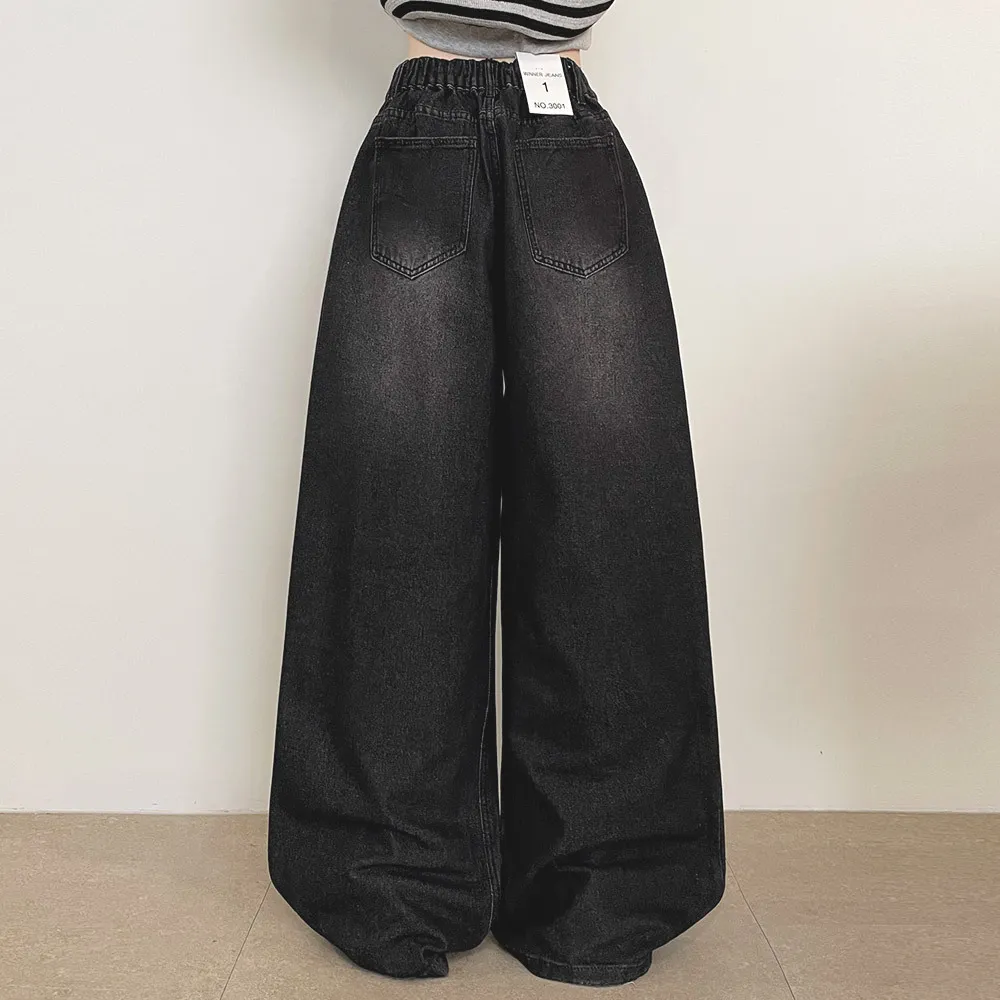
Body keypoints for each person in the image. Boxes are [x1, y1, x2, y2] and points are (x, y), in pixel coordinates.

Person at [266, 1, 726, 987]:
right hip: (559, 127)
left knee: (397, 522)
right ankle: (603, 891)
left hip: (429, 129)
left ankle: (388, 878)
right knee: (603, 522)